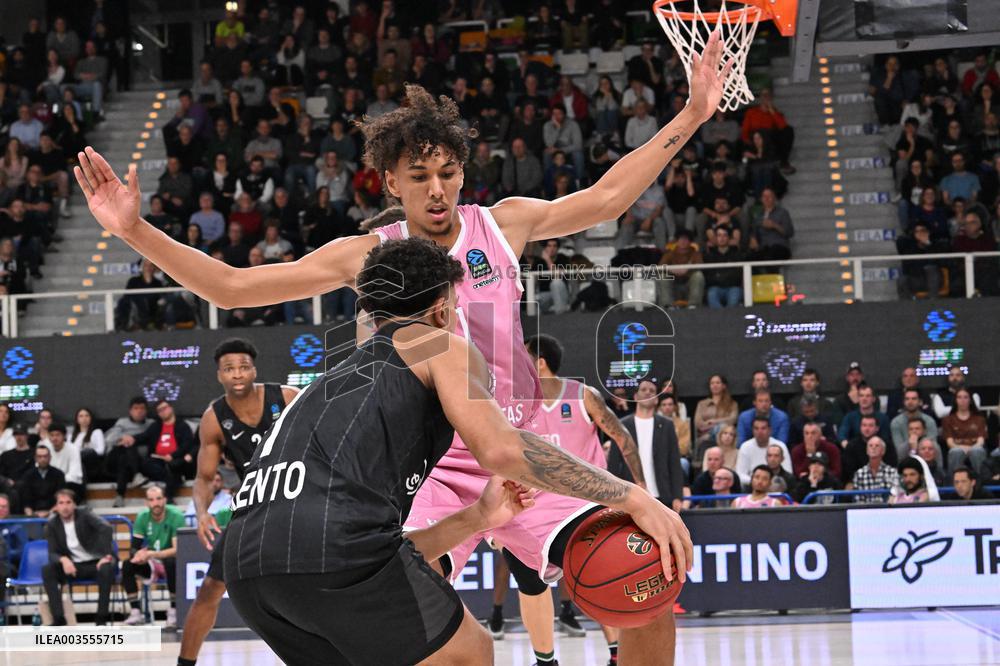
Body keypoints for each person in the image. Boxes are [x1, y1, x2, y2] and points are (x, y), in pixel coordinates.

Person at [77, 35, 729, 662]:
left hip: (517, 451)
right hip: (428, 471)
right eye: (420, 176)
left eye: (448, 173)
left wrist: (694, 112)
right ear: (391, 182)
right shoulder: (366, 254)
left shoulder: (502, 226)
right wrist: (134, 230)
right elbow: (232, 286)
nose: (438, 189)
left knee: (643, 566)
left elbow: (610, 195)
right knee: (420, 634)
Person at [219, 237, 691, 666]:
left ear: (369, 311)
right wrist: (629, 496)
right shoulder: (438, 343)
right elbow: (502, 449)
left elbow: (376, 553)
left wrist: (478, 519)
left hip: (248, 568)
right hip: (333, 545)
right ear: (444, 308)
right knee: (470, 651)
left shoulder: (328, 382)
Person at [516, 334, 643, 660]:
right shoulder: (518, 403)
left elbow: (620, 435)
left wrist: (641, 486)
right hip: (537, 513)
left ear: (540, 363)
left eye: (524, 357)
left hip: (586, 506)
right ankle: (545, 658)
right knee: (527, 579)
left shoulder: (583, 395)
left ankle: (617, 652)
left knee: (601, 577)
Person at [178, 339, 297, 666]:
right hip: (253, 504)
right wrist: (202, 513)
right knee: (210, 589)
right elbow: (204, 478)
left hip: (295, 500)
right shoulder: (214, 418)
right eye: (229, 369)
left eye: (244, 366)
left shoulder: (285, 397)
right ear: (219, 375)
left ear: (254, 369)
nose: (237, 374)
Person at [610, 379, 686, 513]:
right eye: (643, 389)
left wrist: (677, 496)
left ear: (657, 399)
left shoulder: (667, 425)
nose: (647, 393)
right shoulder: (622, 425)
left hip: (662, 495)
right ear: (635, 396)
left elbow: (674, 462)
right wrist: (614, 497)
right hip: (631, 496)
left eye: (652, 391)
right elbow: (614, 463)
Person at [41, 489, 115, 625]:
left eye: (68, 502)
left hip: (95, 563)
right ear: (56, 507)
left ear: (74, 504)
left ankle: (101, 618)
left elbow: (106, 528)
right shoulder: (52, 524)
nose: (65, 506)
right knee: (48, 570)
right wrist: (63, 560)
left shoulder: (85, 514)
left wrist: (106, 556)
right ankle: (58, 619)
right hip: (73, 567)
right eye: (61, 503)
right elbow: (52, 553)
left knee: (107, 568)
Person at [123, 484, 185, 627]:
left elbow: (178, 549)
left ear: (165, 500)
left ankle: (174, 610)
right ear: (147, 503)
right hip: (152, 562)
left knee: (170, 561)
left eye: (158, 499)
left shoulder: (176, 516)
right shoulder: (142, 517)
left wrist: (152, 554)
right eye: (151, 500)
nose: (155, 503)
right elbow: (134, 548)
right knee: (128, 564)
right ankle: (135, 611)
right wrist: (138, 555)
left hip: (173, 561)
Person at [104, 397, 155, 507]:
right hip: (115, 458)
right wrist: (124, 437)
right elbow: (109, 439)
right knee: (127, 447)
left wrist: (133, 440)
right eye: (136, 408)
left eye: (142, 408)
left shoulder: (151, 424)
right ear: (130, 411)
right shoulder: (122, 422)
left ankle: (119, 496)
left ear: (146, 411)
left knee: (125, 460)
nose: (139, 411)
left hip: (137, 460)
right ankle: (137, 475)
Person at [940, 387, 989, 473]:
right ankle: (953, 482)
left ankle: (981, 480)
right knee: (956, 452)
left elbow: (981, 441)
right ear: (955, 400)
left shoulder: (979, 419)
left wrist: (971, 448)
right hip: (957, 448)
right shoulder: (947, 420)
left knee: (977, 451)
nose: (962, 400)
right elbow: (950, 442)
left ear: (970, 400)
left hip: (975, 447)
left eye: (965, 397)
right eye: (959, 397)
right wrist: (962, 448)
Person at [735, 417, 792, 486]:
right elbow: (740, 474)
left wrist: (769, 482)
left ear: (770, 430)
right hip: (752, 485)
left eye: (763, 428)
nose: (760, 432)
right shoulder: (745, 447)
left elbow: (788, 471)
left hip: (778, 485)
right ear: (752, 430)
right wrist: (757, 482)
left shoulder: (780, 446)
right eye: (756, 428)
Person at [38, 424, 84, 502]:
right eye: (52, 435)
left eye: (58, 435)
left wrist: (56, 481)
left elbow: (75, 475)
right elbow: (39, 469)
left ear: (64, 436)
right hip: (49, 484)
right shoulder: (44, 447)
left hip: (68, 484)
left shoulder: (73, 449)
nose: (54, 438)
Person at [890, 389, 939, 460]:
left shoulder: (929, 421)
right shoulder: (896, 422)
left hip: (927, 457)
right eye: (907, 399)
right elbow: (899, 449)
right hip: (905, 457)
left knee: (936, 447)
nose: (910, 402)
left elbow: (933, 445)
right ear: (904, 402)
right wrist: (911, 445)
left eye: (914, 399)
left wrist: (918, 446)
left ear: (920, 402)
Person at [18, 445, 66, 517]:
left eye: (45, 456)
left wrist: (50, 512)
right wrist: (31, 515)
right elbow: (26, 499)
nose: (43, 459)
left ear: (50, 457)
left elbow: (61, 497)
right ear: (35, 458)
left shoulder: (59, 474)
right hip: (33, 513)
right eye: (39, 456)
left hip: (54, 513)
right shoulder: (28, 475)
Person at [693, 374, 738, 447]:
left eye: (717, 383)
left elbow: (733, 419)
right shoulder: (702, 404)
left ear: (724, 386)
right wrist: (715, 427)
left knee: (723, 427)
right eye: (712, 383)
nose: (715, 385)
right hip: (705, 437)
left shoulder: (732, 404)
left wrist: (713, 421)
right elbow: (698, 424)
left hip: (726, 437)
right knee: (721, 427)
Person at [848, 438, 898, 504]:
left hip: (887, 510)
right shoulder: (859, 474)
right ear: (867, 451)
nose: (873, 448)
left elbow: (895, 495)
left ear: (883, 451)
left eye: (877, 446)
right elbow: (858, 499)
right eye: (870, 445)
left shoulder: (892, 472)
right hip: (865, 511)